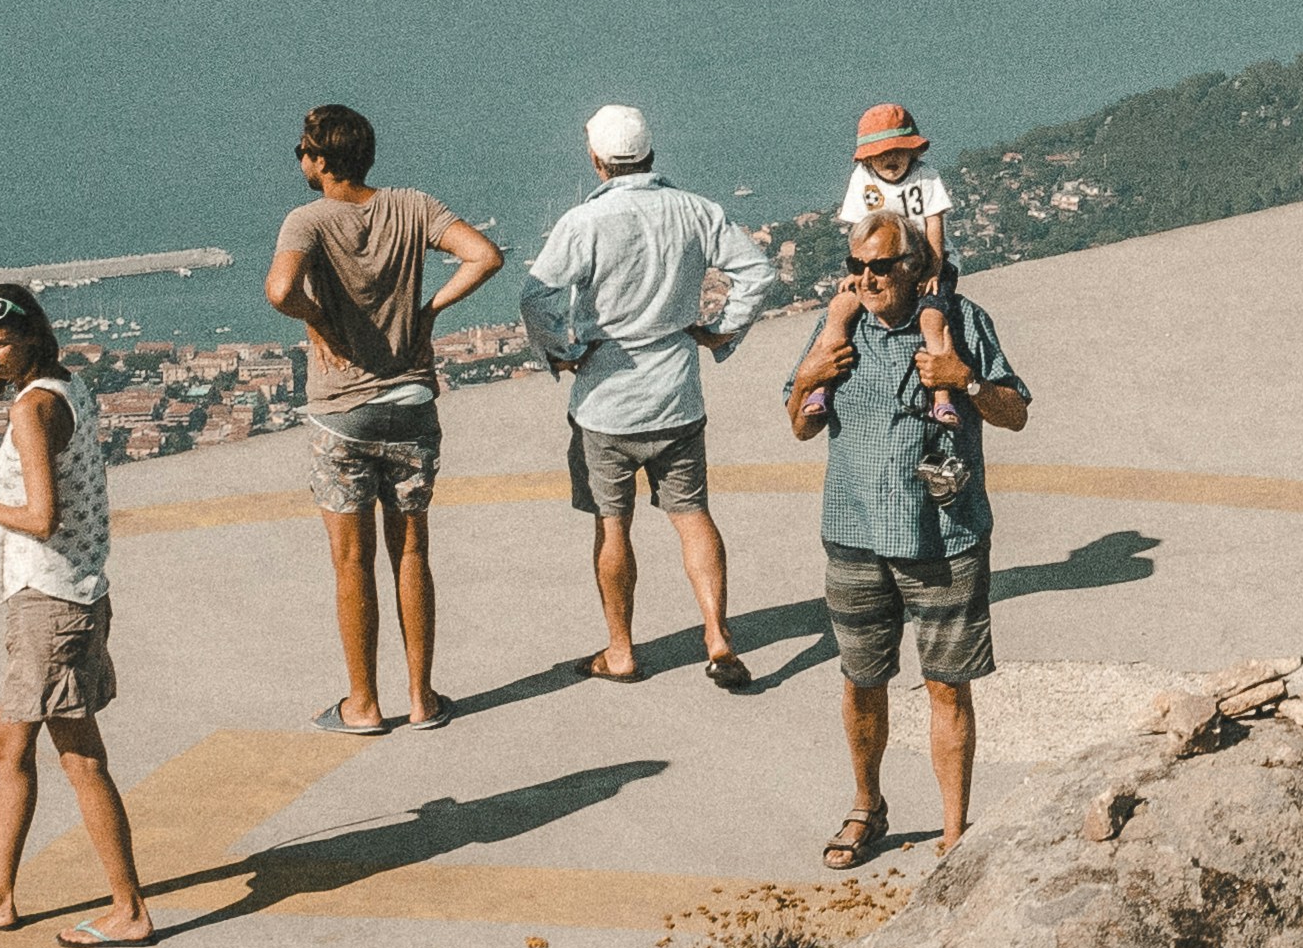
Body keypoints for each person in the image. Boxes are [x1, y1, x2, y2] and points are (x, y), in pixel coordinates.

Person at [785, 213, 1026, 864]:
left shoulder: (963, 320)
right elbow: (800, 426)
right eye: (856, 266)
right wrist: (809, 374)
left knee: (948, 685)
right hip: (855, 538)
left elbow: (1017, 412)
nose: (865, 278)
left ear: (915, 268)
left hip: (946, 539)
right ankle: (867, 807)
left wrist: (964, 380)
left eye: (881, 266)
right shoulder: (839, 325)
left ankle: (953, 833)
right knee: (861, 681)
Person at [517, 101, 783, 687]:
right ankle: (717, 638)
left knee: (612, 527)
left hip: (605, 405)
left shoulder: (582, 223)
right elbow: (758, 272)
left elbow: (536, 298)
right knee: (693, 517)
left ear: (596, 159)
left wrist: (564, 351)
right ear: (651, 152)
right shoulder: (695, 209)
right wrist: (720, 331)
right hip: (678, 397)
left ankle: (620, 651)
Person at [264, 101, 504, 734]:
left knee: (351, 562)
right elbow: (484, 256)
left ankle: (363, 704)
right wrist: (428, 313)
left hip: (342, 413)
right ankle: (423, 698)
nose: (300, 161)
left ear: (319, 160)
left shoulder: (306, 220)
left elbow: (279, 291)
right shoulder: (414, 205)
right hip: (412, 406)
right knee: (412, 550)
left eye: (302, 151)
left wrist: (317, 316)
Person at [0, 283, 161, 945]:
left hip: (52, 604)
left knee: (78, 755)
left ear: (31, 336)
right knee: (13, 742)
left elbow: (41, 516)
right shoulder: (68, 387)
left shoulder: (33, 409)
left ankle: (128, 909)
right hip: (69, 596)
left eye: (1, 343)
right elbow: (50, 481)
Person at [834, 102, 974, 396]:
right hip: (881, 265)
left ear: (914, 150)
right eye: (881, 153)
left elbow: (934, 225)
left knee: (931, 318)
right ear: (867, 158)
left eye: (898, 149)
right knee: (840, 310)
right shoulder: (863, 179)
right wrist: (858, 271)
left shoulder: (926, 176)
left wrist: (933, 270)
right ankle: (822, 384)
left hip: (929, 259)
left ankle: (941, 394)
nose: (891, 157)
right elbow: (859, 231)